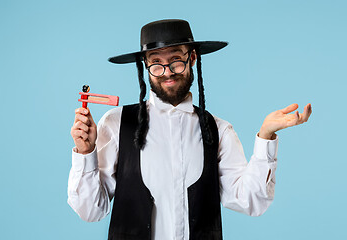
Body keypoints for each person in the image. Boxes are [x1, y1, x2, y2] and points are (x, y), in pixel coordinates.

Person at [68, 19, 312, 240]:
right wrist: (85, 153)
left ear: (192, 58)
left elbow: (252, 202)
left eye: (176, 60)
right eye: (156, 64)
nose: (167, 73)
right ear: (146, 66)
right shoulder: (117, 123)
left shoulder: (218, 130)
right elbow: (91, 211)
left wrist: (266, 137)